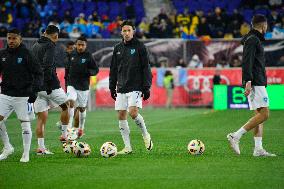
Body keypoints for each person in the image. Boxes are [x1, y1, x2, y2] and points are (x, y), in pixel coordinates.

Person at [227, 14, 276, 157]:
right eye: (266, 26)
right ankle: (235, 136)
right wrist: (247, 82)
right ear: (263, 25)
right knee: (265, 114)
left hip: (257, 81)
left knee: (258, 115)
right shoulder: (253, 40)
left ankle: (258, 149)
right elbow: (247, 62)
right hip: (256, 81)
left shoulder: (252, 39)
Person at [109, 20, 153, 154]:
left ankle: (145, 134)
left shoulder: (140, 47)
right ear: (121, 32)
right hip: (121, 86)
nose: (126, 33)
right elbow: (113, 69)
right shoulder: (117, 48)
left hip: (136, 85)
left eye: (129, 30)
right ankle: (127, 147)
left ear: (133, 31)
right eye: (124, 31)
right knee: (121, 115)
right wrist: (112, 87)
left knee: (133, 113)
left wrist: (146, 87)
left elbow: (146, 67)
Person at [0, 29, 43, 162]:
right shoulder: (3, 54)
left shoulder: (27, 54)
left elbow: (38, 73)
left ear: (20, 39)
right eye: (9, 38)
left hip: (24, 95)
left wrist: (34, 91)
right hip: (6, 93)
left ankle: (25, 154)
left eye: (14, 38)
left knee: (24, 123)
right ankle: (7, 147)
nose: (11, 41)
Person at [31, 25, 69, 155]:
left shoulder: (35, 45)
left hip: (37, 87)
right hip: (49, 86)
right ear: (55, 36)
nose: (56, 40)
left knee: (42, 117)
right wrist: (47, 86)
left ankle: (40, 148)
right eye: (56, 37)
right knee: (67, 105)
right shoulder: (50, 46)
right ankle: (64, 134)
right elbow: (47, 67)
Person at [66, 36, 99, 137]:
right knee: (70, 101)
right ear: (76, 45)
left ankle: (81, 128)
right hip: (71, 84)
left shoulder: (89, 56)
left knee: (81, 108)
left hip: (83, 86)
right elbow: (67, 68)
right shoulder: (72, 54)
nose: (80, 47)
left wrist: (88, 72)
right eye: (78, 45)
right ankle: (68, 127)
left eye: (82, 45)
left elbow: (95, 70)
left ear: (86, 45)